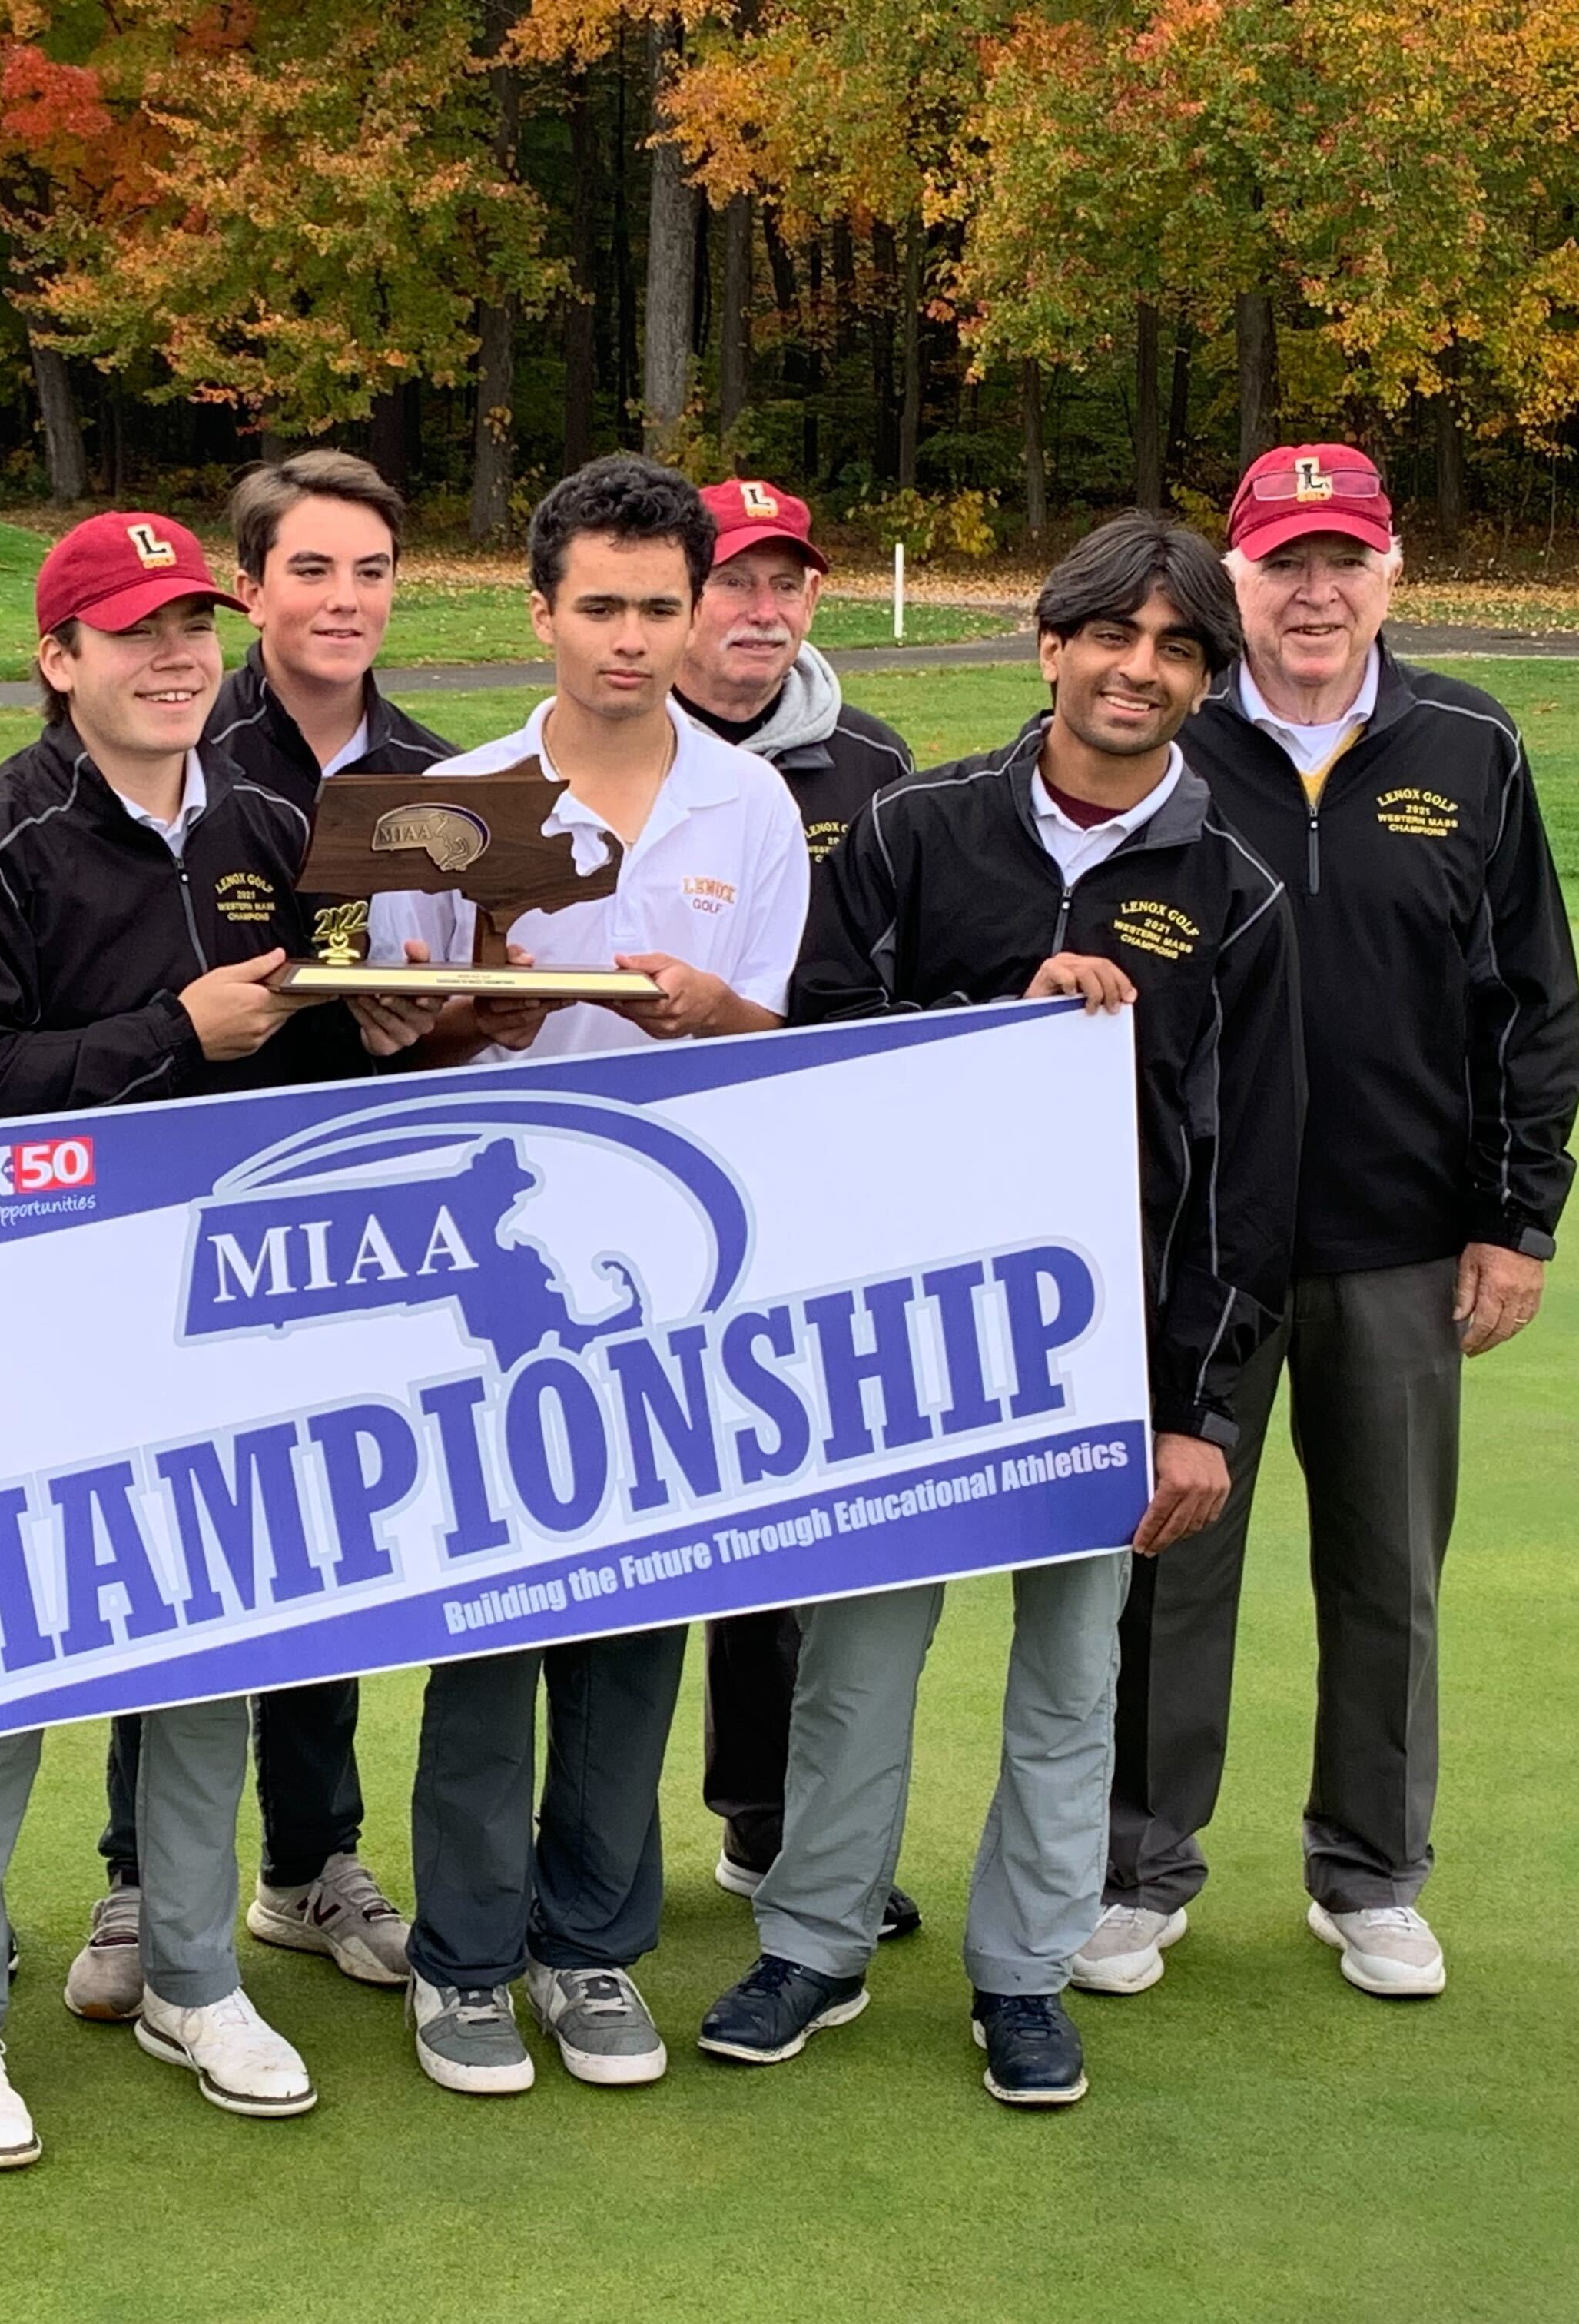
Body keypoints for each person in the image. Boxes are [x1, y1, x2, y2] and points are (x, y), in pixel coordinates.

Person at [698, 513, 1300, 2110]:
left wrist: (1201, 1408)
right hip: (908, 1338)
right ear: (1053, 645)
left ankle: (1024, 1976)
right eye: (1116, 637)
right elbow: (818, 1048)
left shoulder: (1233, 891)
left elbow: (1248, 1175)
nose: (1141, 671)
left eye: (1178, 651)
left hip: (1099, 1366)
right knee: (858, 1661)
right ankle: (814, 1942)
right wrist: (999, 1016)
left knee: (1069, 1679)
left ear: (1201, 683)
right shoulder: (921, 825)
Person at [0, 510, 438, 2169]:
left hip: (242, 1314)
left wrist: (384, 1035)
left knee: (216, 1653)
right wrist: (166, 1036)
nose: (176, 654)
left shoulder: (281, 819)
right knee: (6, 1665)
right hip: (34, 1325)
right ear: (61, 662)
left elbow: (324, 1067)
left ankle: (196, 1968)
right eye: (132, 632)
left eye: (193, 623)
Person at [1073, 446, 1579, 2003]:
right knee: (1173, 1559)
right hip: (1188, 1246)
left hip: (1400, 1232)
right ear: (1235, 576)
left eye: (1342, 560)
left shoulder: (1472, 744)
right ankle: (1139, 1867)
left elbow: (1528, 1003)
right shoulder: (1159, 734)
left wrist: (1519, 1218)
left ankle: (1371, 1875)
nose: (1314, 592)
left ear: (1392, 571)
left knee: (1387, 1574)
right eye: (1285, 561)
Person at [366, 453, 811, 2097]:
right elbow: (391, 1050)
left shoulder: (750, 805)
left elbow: (780, 1046)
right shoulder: (450, 800)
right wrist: (460, 1018)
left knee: (636, 1620)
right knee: (484, 1616)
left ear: (700, 614)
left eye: (662, 607)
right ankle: (466, 1962)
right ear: (541, 610)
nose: (632, 638)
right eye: (602, 607)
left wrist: (710, 1013)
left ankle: (592, 1949)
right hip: (489, 1264)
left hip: (675, 1266)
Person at [67, 451, 449, 2025]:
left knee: (324, 1551)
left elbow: (390, 1002)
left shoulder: (433, 769)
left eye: (369, 572)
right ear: (254, 585)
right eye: (311, 571)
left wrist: (403, 1029)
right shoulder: (177, 735)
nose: (342, 600)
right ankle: (143, 1874)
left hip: (343, 1213)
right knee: (170, 1549)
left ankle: (310, 1864)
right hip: (163, 1224)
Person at [668, 477, 924, 1944]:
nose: (761, 611)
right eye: (733, 583)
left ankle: (770, 1822)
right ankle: (575, 1844)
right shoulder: (589, 750)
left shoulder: (875, 764)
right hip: (626, 1188)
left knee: (791, 1527)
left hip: (811, 1189)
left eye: (787, 585)